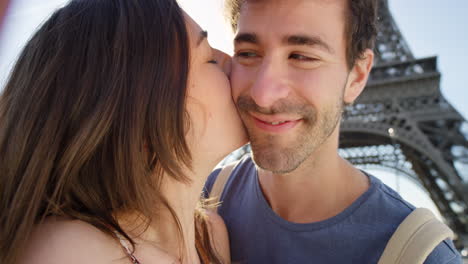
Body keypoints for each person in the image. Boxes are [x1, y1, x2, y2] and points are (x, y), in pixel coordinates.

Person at [204, 0, 462, 263]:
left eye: (302, 56)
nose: (263, 95)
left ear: (357, 76)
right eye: (248, 53)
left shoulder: (424, 256)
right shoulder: (199, 199)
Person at [0, 0, 247, 263]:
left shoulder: (210, 237)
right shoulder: (70, 252)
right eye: (210, 59)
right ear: (142, 114)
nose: (235, 64)